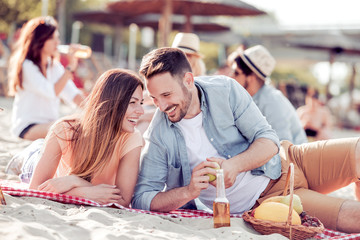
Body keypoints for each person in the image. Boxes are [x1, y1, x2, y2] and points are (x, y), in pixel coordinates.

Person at [132, 47, 360, 233]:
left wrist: (234, 165)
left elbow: (268, 139)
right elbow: (142, 198)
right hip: (271, 200)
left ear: (189, 80)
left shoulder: (225, 89)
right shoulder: (159, 134)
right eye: (154, 98)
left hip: (290, 158)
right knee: (354, 216)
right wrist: (188, 192)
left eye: (167, 95)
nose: (161, 106)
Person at [7, 69, 145, 206]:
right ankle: (22, 157)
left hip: (64, 183)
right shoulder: (65, 129)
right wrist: (85, 191)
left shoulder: (132, 138)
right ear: (112, 102)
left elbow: (123, 200)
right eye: (133, 102)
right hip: (37, 163)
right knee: (34, 154)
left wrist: (75, 182)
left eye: (141, 103)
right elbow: (36, 188)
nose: (141, 111)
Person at [7, 16, 85, 141]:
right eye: (52, 38)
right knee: (68, 128)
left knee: (81, 126)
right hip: (28, 126)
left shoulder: (54, 66)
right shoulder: (27, 66)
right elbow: (51, 92)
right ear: (40, 41)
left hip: (50, 125)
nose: (57, 43)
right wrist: (70, 67)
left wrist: (95, 111)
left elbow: (73, 94)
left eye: (57, 38)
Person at [227, 45, 307, 145]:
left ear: (251, 77)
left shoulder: (272, 101)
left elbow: (283, 149)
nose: (230, 77)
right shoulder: (251, 98)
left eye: (236, 73)